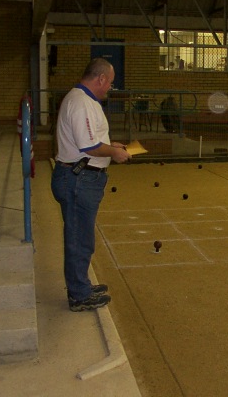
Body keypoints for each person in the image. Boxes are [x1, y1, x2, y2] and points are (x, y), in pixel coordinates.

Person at [51, 58, 131, 312]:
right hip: (78, 179)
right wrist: (114, 154)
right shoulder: (80, 102)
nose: (110, 87)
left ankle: (81, 284)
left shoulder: (86, 101)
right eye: (110, 82)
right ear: (100, 79)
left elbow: (92, 141)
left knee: (81, 235)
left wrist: (112, 146)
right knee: (79, 237)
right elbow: (89, 147)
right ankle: (79, 294)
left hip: (83, 177)